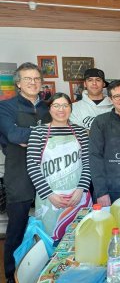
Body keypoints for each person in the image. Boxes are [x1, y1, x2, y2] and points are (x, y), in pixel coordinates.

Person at [0, 62, 51, 283]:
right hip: (18, 175)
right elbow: (13, 136)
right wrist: (41, 135)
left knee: (49, 226)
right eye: (28, 79)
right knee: (16, 230)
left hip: (48, 175)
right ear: (19, 83)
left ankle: (44, 273)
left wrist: (28, 137)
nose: (33, 82)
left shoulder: (48, 108)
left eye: (37, 79)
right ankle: (12, 277)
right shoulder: (5, 107)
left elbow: (58, 134)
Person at [26, 93, 92, 241]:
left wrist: (81, 190)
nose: (61, 109)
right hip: (49, 198)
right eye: (56, 105)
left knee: (81, 240)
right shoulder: (39, 132)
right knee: (50, 242)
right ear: (49, 109)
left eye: (65, 105)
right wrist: (50, 195)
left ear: (70, 108)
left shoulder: (80, 132)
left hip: (78, 196)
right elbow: (32, 166)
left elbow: (88, 163)